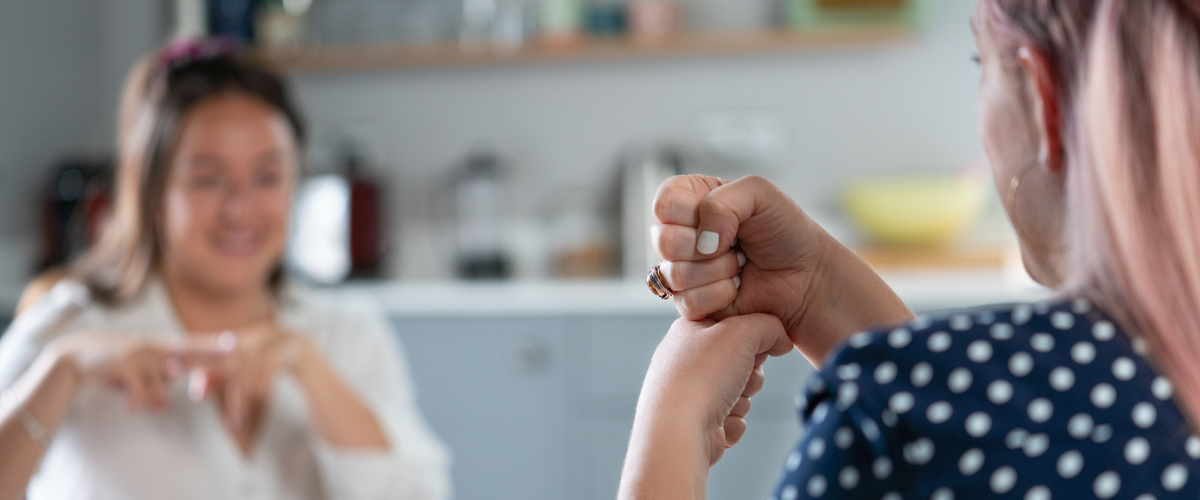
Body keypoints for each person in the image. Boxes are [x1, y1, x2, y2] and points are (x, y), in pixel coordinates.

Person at [620, 0, 1200, 498]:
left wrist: (674, 421)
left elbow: (935, 440)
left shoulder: (889, 423)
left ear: (1044, 100)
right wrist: (816, 286)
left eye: (981, 63)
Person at [0, 38, 450, 500]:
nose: (239, 210)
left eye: (267, 177)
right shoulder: (71, 328)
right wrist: (62, 371)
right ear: (153, 194)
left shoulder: (347, 334)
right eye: (207, 180)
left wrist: (310, 372)